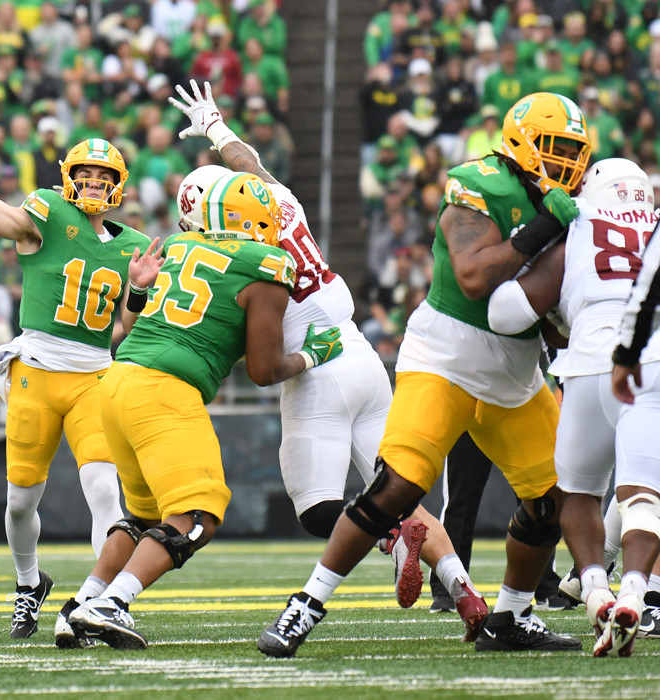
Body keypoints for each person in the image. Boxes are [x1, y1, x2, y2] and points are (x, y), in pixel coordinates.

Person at [256, 91, 592, 657]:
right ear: (522, 142)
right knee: (396, 487)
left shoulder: (569, 207)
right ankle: (304, 606)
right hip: (445, 360)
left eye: (574, 152)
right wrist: (540, 230)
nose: (566, 164)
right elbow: (472, 275)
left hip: (513, 375)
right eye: (556, 149)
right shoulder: (481, 183)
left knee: (554, 499)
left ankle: (509, 615)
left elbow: (551, 318)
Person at [170, 79, 488, 638]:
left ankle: (392, 539)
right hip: (363, 357)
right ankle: (468, 597)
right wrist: (217, 127)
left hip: (315, 373)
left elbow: (258, 361)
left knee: (321, 510)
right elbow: (252, 163)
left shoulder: (236, 254)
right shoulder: (280, 203)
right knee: (396, 489)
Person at [59, 171, 343, 650]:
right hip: (165, 392)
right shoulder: (267, 263)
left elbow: (130, 324)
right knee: (198, 514)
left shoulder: (179, 246)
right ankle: (113, 603)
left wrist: (138, 290)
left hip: (117, 382)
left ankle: (79, 606)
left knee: (146, 519)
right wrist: (312, 354)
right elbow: (264, 368)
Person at [0, 130, 163, 639]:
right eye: (83, 174)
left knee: (105, 488)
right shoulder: (47, 212)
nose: (91, 183)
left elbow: (128, 330)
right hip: (37, 369)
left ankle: (103, 601)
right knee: (20, 502)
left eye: (101, 176)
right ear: (67, 178)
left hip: (94, 374)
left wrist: (136, 289)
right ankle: (28, 584)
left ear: (118, 185)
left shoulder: (133, 244)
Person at [485, 159, 660, 655]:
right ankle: (635, 591)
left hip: (586, 363)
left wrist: (561, 305)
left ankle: (594, 591)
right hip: (651, 359)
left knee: (578, 492)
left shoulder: (575, 221)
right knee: (643, 495)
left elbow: (505, 312)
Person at [609, 201, 660, 655]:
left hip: (656, 361)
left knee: (641, 496)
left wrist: (625, 355)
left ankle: (633, 595)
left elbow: (646, 287)